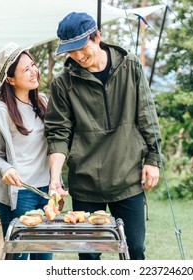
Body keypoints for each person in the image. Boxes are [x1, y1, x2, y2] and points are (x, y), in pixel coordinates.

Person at [44, 12, 162, 260]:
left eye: (82, 48)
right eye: (71, 52)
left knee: (134, 250)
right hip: (85, 183)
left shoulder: (130, 66)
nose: (78, 56)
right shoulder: (62, 84)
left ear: (97, 37)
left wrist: (153, 159)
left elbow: (147, 115)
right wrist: (55, 178)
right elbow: (58, 134)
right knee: (88, 255)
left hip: (127, 178)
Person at [0, 42, 62, 260]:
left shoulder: (44, 102)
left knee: (44, 259)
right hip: (18, 196)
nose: (33, 71)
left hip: (46, 193)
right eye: (25, 69)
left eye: (33, 65)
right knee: (18, 261)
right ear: (10, 79)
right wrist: (6, 169)